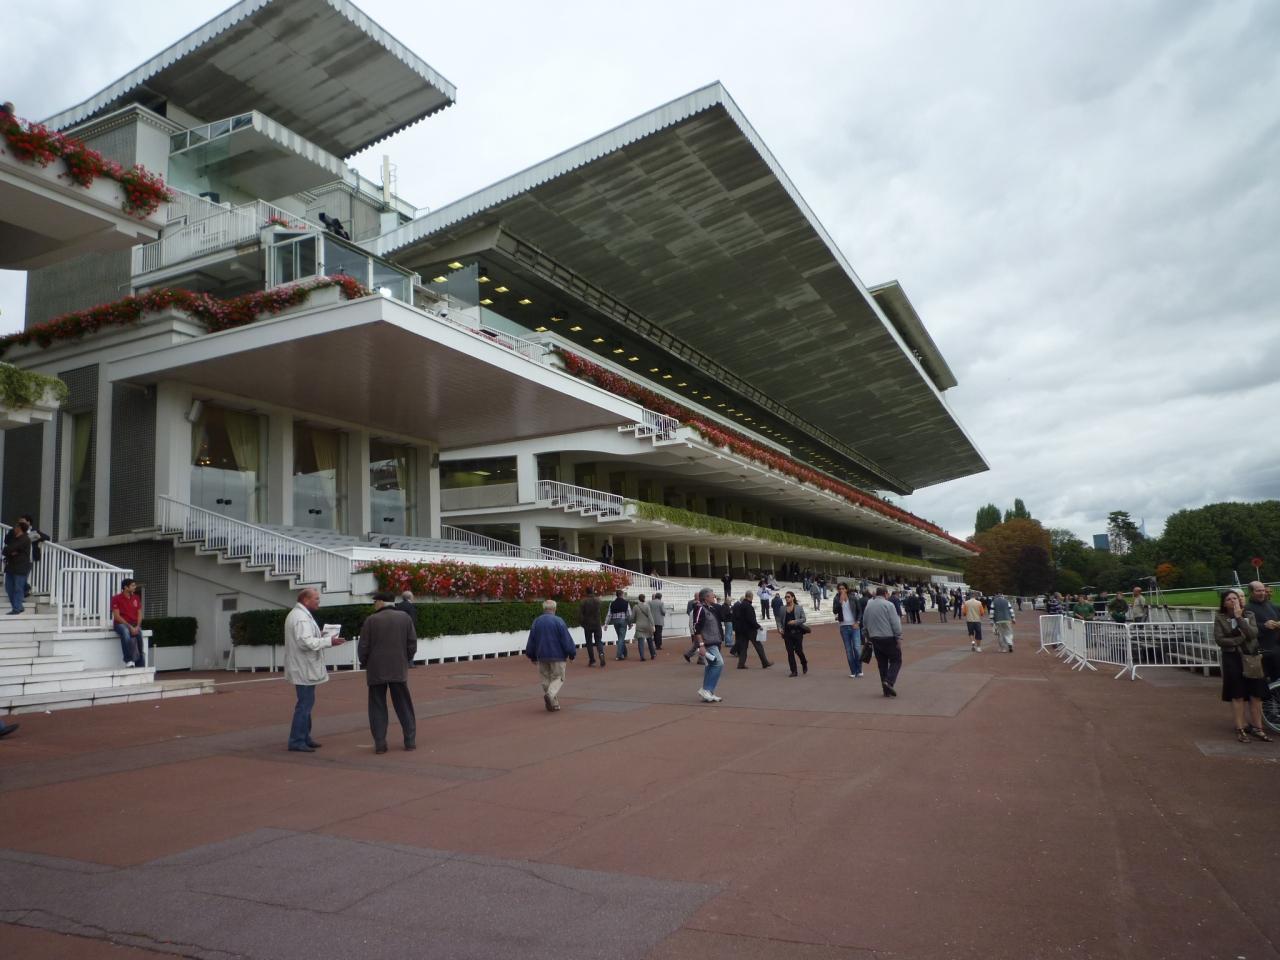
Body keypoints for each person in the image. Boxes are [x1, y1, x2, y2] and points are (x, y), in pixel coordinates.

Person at [283, 588, 347, 752]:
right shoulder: (301, 618)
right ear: (306, 600)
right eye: (316, 599)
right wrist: (328, 641)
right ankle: (297, 740)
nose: (319, 601)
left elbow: (306, 639)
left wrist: (323, 637)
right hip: (304, 668)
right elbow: (306, 643)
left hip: (303, 667)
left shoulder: (300, 615)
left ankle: (304, 737)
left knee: (306, 704)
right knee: (304, 705)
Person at [358, 592, 418, 753]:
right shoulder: (405, 618)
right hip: (398, 667)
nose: (374, 605)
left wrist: (365, 662)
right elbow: (412, 643)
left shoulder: (371, 620)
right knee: (403, 705)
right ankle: (410, 740)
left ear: (380, 602)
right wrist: (406, 659)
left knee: (377, 706)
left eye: (375, 602)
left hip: (376, 669)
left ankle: (380, 743)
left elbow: (363, 646)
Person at [1213, 589, 1271, 743]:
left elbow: (1252, 634)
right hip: (1233, 658)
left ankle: (1258, 728)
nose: (1233, 601)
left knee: (1256, 695)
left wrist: (1239, 618)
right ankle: (1240, 728)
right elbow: (1220, 640)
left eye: (1235, 598)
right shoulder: (1220, 618)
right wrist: (1239, 639)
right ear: (1224, 603)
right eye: (1229, 599)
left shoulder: (1249, 615)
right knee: (1237, 694)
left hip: (1251, 657)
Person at [525, 599, 577, 711]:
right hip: (558, 655)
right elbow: (566, 639)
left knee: (546, 679)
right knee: (559, 677)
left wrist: (532, 655)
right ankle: (550, 695)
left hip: (541, 655)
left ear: (544, 609)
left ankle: (554, 703)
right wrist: (572, 653)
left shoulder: (536, 621)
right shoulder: (559, 621)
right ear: (554, 609)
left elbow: (532, 640)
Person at [862, 586, 903, 696]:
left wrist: (867, 636)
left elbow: (864, 623)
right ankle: (889, 681)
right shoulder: (889, 605)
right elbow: (895, 623)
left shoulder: (869, 606)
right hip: (888, 637)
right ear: (885, 594)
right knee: (896, 660)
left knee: (882, 664)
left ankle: (885, 690)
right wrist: (898, 636)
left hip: (874, 638)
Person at [689, 587, 725, 702]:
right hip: (708, 642)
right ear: (706, 597)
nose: (714, 597)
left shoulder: (710, 608)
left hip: (713, 641)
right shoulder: (700, 608)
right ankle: (707, 689)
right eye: (712, 595)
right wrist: (701, 645)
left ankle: (708, 691)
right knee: (719, 663)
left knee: (711, 665)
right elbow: (696, 628)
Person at [1244, 580, 1280, 684]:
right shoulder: (1247, 609)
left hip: (1276, 650)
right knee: (1263, 684)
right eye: (1258, 591)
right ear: (1251, 592)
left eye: (1263, 590)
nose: (1262, 593)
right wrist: (1264, 626)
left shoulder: (1271, 605)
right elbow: (1246, 630)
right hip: (1261, 652)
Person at [110, 577, 145, 667]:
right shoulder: (116, 598)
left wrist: (137, 626)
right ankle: (129, 660)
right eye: (132, 585)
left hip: (134, 624)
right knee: (125, 632)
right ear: (126, 587)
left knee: (139, 634)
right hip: (120, 624)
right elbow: (117, 616)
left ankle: (140, 662)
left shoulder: (136, 598)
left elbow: (140, 614)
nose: (135, 587)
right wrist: (130, 627)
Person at [731, 589, 771, 669]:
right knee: (758, 646)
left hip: (742, 630)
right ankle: (765, 662)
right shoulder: (748, 606)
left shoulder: (740, 605)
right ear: (750, 597)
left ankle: (741, 664)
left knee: (743, 648)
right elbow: (751, 619)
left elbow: (737, 617)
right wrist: (758, 626)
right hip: (750, 630)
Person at [833, 583, 863, 678]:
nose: (841, 590)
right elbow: (834, 611)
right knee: (848, 650)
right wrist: (840, 602)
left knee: (857, 649)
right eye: (839, 589)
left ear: (846, 589)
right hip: (844, 627)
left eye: (843, 588)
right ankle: (853, 671)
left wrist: (857, 622)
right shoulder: (836, 599)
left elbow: (860, 611)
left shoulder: (853, 597)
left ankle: (859, 669)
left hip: (854, 626)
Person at [2, 519, 32, 615]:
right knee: (9, 588)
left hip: (20, 567)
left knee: (18, 588)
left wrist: (11, 551)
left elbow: (11, 548)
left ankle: (16, 608)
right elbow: (5, 550)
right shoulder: (14, 539)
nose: (14, 528)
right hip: (11, 567)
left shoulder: (25, 539)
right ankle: (18, 606)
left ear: (20, 528)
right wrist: (11, 552)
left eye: (16, 527)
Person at [781, 591, 809, 677]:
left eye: (788, 597)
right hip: (787, 634)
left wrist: (795, 621)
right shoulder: (782, 608)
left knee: (798, 650)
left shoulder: (799, 608)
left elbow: (804, 619)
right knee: (790, 652)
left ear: (793, 597)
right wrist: (779, 628)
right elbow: (779, 620)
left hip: (797, 633)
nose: (787, 598)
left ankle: (804, 662)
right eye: (786, 597)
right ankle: (794, 671)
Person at [580, 588, 605, 668]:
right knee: (598, 641)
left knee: (589, 642)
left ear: (586, 592)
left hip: (587, 624)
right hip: (597, 623)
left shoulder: (583, 601)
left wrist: (582, 623)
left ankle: (592, 660)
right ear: (593, 592)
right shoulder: (597, 601)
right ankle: (601, 653)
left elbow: (581, 614)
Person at [395, 590, 418, 665]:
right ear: (410, 597)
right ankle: (410, 662)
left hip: (398, 628)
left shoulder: (398, 605)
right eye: (412, 596)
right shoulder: (411, 606)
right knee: (411, 645)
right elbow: (412, 618)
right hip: (409, 629)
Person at [633, 591, 656, 660]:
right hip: (647, 625)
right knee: (649, 640)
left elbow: (632, 617)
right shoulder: (647, 606)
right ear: (644, 598)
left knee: (640, 642)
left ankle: (642, 656)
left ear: (638, 599)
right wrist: (653, 625)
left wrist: (630, 622)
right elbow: (650, 616)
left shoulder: (635, 607)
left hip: (639, 626)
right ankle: (652, 654)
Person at [608, 589, 631, 659]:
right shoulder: (626, 603)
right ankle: (619, 655)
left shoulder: (612, 603)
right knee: (621, 638)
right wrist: (630, 623)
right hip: (623, 621)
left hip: (615, 621)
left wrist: (606, 623)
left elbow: (609, 614)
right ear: (622, 594)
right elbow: (628, 614)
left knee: (620, 637)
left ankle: (625, 652)